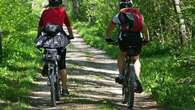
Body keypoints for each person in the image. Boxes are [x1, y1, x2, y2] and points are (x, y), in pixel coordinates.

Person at [105, 0, 149, 93]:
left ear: (120, 6)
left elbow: (110, 28)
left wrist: (108, 38)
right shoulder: (138, 14)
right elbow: (144, 28)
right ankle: (137, 79)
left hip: (124, 38)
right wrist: (146, 39)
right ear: (131, 5)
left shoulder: (119, 15)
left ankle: (121, 75)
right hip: (137, 38)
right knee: (136, 59)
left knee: (121, 54)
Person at [37, 0, 74, 96]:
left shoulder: (45, 12)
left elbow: (40, 26)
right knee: (62, 65)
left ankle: (46, 64)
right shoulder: (62, 11)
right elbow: (68, 25)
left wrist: (38, 37)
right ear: (59, 3)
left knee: (47, 50)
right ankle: (64, 89)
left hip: (47, 39)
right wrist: (71, 35)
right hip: (59, 39)